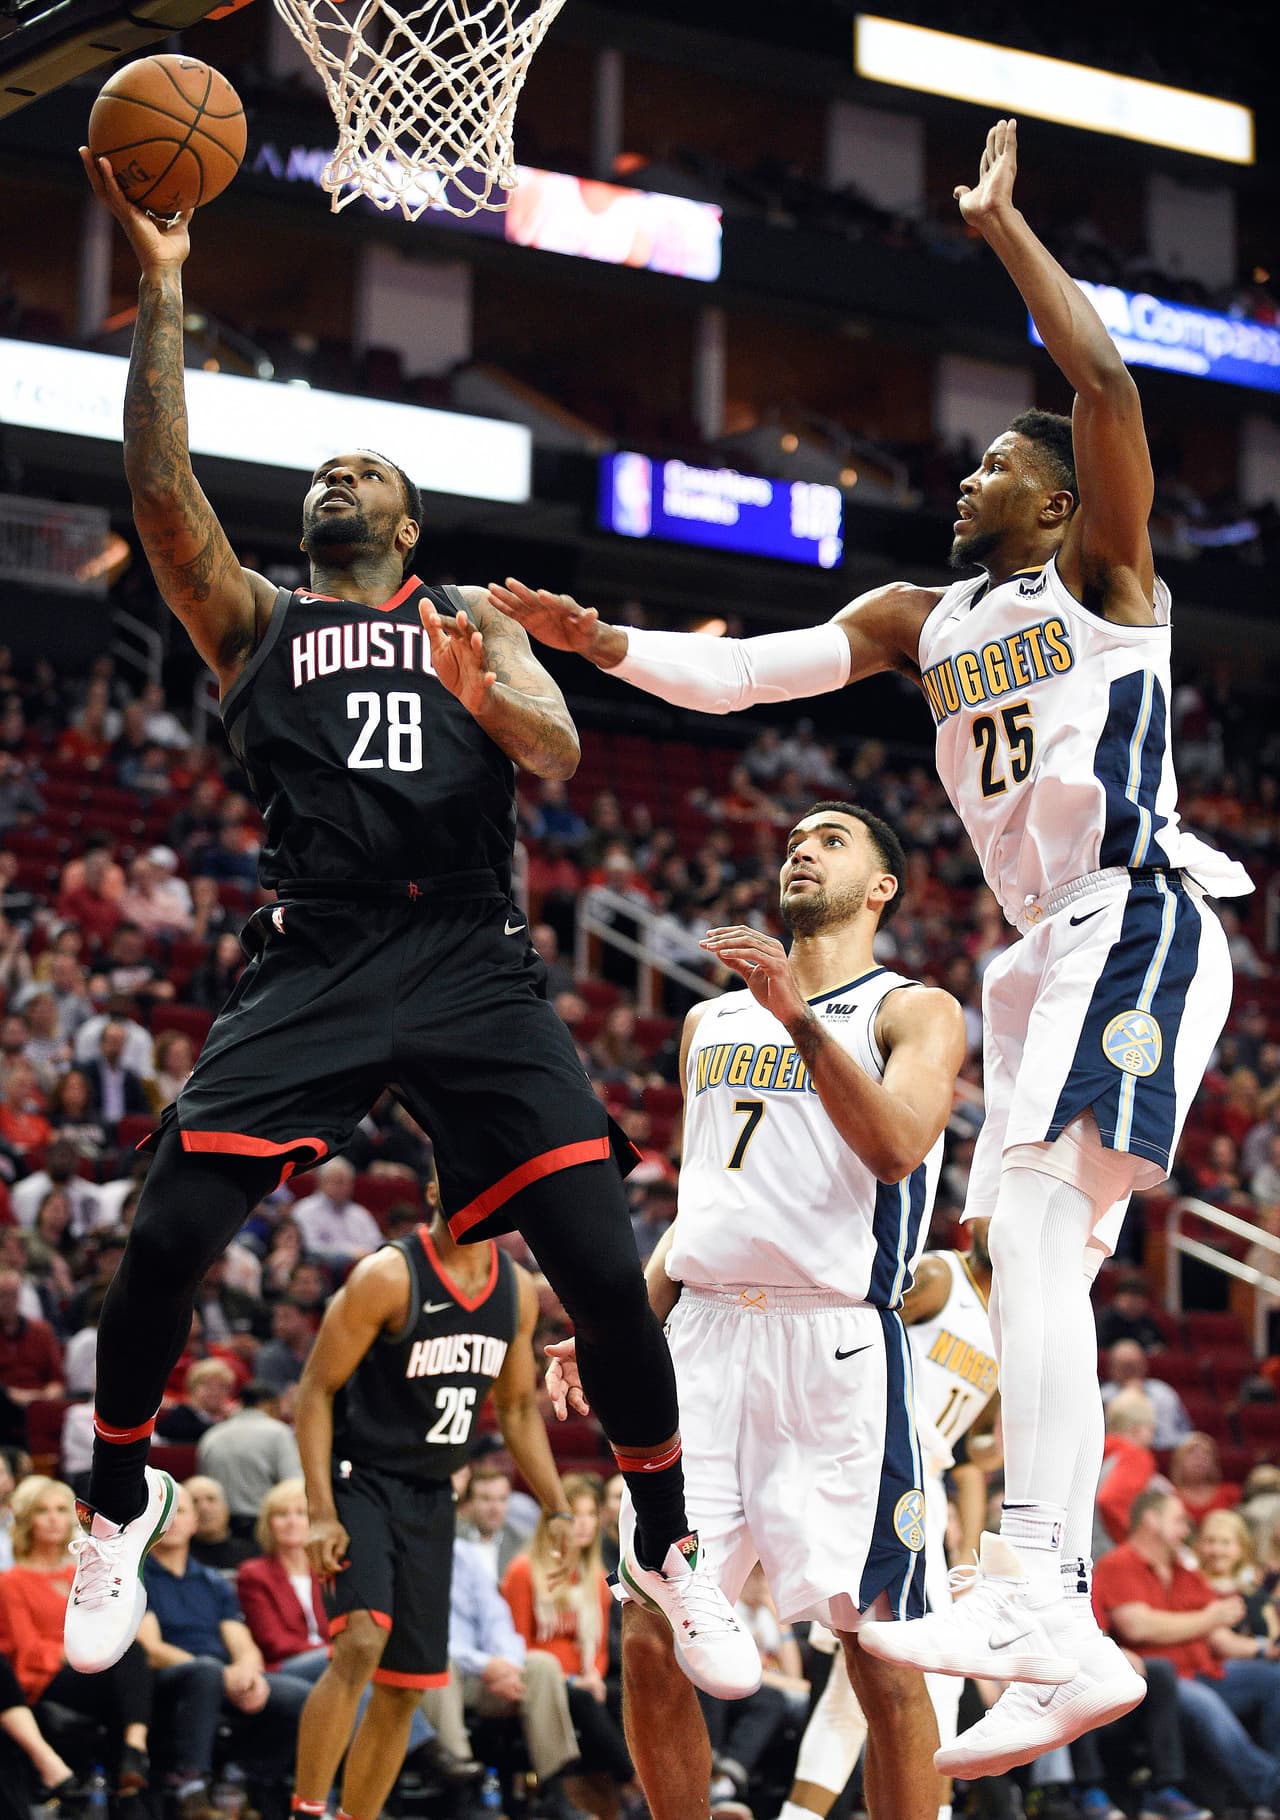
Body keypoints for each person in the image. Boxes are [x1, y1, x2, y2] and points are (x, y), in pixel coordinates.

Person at [502, 118, 1252, 1775]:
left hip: (1131, 907)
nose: (969, 478)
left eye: (998, 467)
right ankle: (1051, 1620)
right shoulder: (925, 622)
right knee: (1032, 1255)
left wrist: (1003, 235)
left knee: (1037, 1230)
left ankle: (1037, 1592)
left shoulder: (1107, 581)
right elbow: (748, 675)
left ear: (1060, 502)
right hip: (1038, 948)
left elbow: (1108, 384)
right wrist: (608, 642)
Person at [66, 146, 756, 1710]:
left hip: (466, 952)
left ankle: (668, 1537)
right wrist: (164, 290)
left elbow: (557, 752)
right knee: (165, 1235)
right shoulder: (257, 620)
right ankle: (117, 1505)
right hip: (315, 949)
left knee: (599, 1259)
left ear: (410, 520)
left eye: (365, 472)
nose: (338, 480)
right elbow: (162, 495)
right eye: (325, 472)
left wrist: (497, 690)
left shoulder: (474, 619)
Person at [548, 800, 966, 1820]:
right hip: (700, 1339)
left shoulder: (914, 1011)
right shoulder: (709, 1021)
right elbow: (706, 1204)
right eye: (794, 840)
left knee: (881, 1650)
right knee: (651, 1632)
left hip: (834, 1346)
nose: (801, 849)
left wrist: (798, 1019)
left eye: (830, 840)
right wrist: (614, 1327)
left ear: (881, 887)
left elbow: (897, 1146)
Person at [288, 1175, 602, 1820]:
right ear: (435, 1191)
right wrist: (320, 1512)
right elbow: (315, 1391)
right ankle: (307, 1810)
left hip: (432, 1495)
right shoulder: (388, 1276)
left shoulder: (515, 1290)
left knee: (407, 1687)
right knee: (361, 1642)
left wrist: (557, 1506)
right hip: (359, 1478)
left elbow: (517, 1408)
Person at [773, 1222, 999, 1820]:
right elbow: (852, 1331)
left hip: (927, 1486)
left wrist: (973, 1542)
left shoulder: (1008, 1324)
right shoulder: (939, 1276)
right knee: (937, 1669)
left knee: (855, 1689)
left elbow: (971, 1452)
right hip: (882, 1466)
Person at [235, 1479, 479, 1791]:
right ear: (268, 1523)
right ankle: (426, 1753)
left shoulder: (325, 1567)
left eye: (300, 1513)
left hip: (329, 1661)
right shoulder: (254, 1573)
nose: (292, 1522)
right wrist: (336, 1650)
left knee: (373, 1673)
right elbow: (273, 1641)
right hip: (284, 1667)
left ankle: (383, 1778)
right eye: (282, 1515)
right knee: (353, 1663)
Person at [1092, 1487, 1280, 1816]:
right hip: (1160, 1682)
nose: (1186, 1529)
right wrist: (1209, 1618)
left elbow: (1219, 1637)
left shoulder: (1183, 1570)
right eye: (1179, 1520)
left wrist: (1265, 1649)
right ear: (1151, 1520)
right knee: (1205, 1705)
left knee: (1274, 1679)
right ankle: (1272, 1790)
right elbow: (1138, 1626)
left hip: (1208, 1670)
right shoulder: (1118, 1564)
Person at [136, 1483, 312, 1820]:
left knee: (303, 1697)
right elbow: (152, 1649)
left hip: (220, 1676)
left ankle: (246, 1774)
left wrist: (246, 1671)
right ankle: (191, 1787)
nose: (172, 1521)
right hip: (167, 1678)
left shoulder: (212, 1580)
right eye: (163, 1514)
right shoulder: (138, 1576)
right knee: (204, 1671)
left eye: (180, 1512)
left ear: (194, 1522)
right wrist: (221, 1673)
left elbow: (242, 1642)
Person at [0, 1477, 152, 1797]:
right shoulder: (11, 1582)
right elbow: (28, 1650)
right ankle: (133, 1759)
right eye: (42, 1511)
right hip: (47, 1677)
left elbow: (110, 1624)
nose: (54, 1519)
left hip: (95, 1668)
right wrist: (81, 1650)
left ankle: (133, 1755)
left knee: (134, 1656)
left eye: (60, 1510)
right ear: (27, 1519)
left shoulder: (84, 1572)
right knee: (126, 1669)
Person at [503, 1475, 636, 1819]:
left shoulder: (595, 1576)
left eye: (591, 1514)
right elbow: (516, 1643)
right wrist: (573, 1680)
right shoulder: (523, 1571)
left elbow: (600, 1647)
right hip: (540, 1680)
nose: (585, 1524)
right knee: (582, 1699)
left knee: (627, 1693)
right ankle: (635, 1783)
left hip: (584, 1680)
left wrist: (593, 1676)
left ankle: (623, 1793)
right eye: (576, 1516)